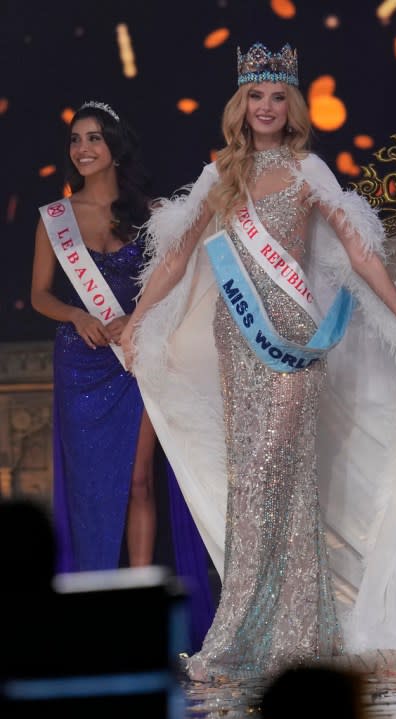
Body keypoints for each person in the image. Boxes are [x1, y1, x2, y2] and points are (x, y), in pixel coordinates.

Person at [120, 43, 396, 681]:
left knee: (279, 476)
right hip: (239, 341)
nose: (265, 107)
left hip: (292, 345)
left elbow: (362, 255)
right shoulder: (219, 175)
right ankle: (246, 631)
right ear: (241, 105)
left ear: (292, 106)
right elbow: (175, 258)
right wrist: (138, 318)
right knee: (249, 483)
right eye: (255, 96)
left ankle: (298, 631)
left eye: (276, 96)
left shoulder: (309, 171)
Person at [30, 101, 214, 651]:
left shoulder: (153, 212)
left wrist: (136, 323)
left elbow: (178, 282)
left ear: (115, 146)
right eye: (75, 140)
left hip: (136, 355)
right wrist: (78, 314)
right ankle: (94, 614)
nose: (82, 149)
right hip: (82, 361)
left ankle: (144, 612)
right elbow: (39, 295)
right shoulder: (53, 219)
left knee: (138, 481)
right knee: (90, 492)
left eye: (93, 138)